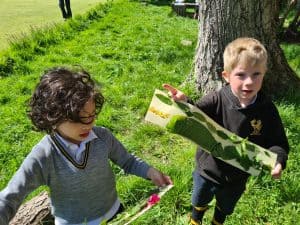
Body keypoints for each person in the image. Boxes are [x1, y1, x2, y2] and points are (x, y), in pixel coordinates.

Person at [0, 66, 172, 225]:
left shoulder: (102, 136)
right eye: (77, 119)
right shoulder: (43, 156)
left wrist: (150, 172)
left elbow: (127, 161)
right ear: (51, 116)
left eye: (91, 116)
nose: (87, 125)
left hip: (116, 213)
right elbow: (10, 197)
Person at [163, 37, 289, 225]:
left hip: (238, 177)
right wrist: (185, 103)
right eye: (241, 75)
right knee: (199, 198)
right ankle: (196, 218)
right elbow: (196, 116)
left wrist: (278, 160)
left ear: (264, 74)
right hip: (208, 170)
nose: (249, 82)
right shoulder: (216, 99)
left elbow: (278, 141)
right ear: (226, 76)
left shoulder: (267, 110)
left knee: (226, 206)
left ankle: (218, 220)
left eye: (256, 74)